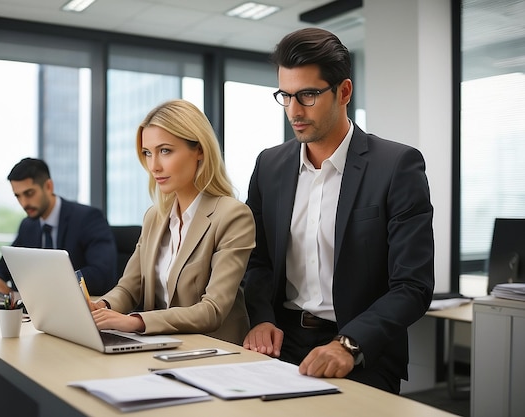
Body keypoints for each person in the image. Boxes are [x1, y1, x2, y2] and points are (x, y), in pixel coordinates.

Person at [241, 28, 435, 393]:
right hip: (282, 344)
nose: (294, 111)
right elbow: (257, 261)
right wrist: (262, 319)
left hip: (362, 351)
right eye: (285, 96)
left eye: (308, 95)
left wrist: (350, 344)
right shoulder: (269, 166)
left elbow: (413, 285)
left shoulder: (396, 166)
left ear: (343, 91)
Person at [89, 99, 255, 345]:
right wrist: (101, 306)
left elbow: (212, 310)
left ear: (199, 150)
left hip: (212, 349)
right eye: (147, 153)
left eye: (165, 151)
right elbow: (128, 288)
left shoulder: (232, 216)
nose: (154, 166)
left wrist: (135, 322)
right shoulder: (154, 217)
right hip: (159, 346)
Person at [0, 157, 118, 296]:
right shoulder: (28, 226)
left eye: (29, 193)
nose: (24, 203)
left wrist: (45, 285)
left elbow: (102, 275)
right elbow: (2, 268)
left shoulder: (87, 218)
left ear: (48, 186)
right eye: (18, 196)